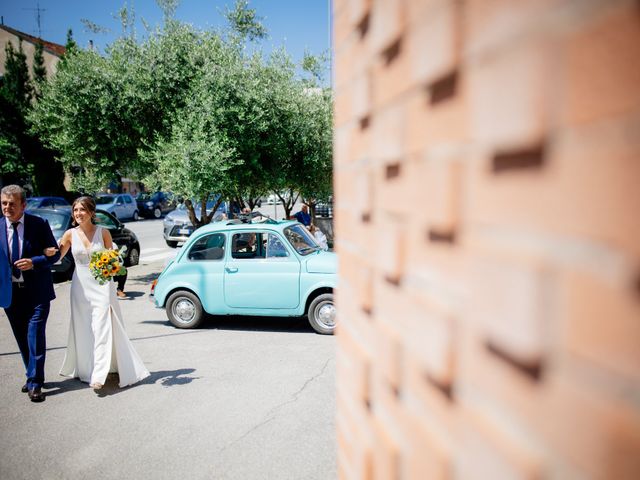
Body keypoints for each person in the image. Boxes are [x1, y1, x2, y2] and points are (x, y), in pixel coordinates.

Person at [48, 196, 149, 390]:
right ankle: (87, 369)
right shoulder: (69, 234)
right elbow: (56, 257)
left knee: (102, 326)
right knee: (84, 327)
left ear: (92, 212)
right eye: (76, 210)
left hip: (103, 286)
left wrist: (112, 267)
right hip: (80, 287)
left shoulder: (103, 233)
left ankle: (99, 373)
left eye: (82, 210)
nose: (78, 213)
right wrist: (45, 253)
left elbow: (114, 259)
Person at [0, 185, 60, 402]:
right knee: (22, 340)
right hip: (10, 294)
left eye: (12, 204)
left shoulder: (38, 224)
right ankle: (32, 375)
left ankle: (35, 383)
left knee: (34, 335)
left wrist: (34, 262)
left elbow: (54, 256)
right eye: (4, 203)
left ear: (23, 205)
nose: (7, 208)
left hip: (37, 293)